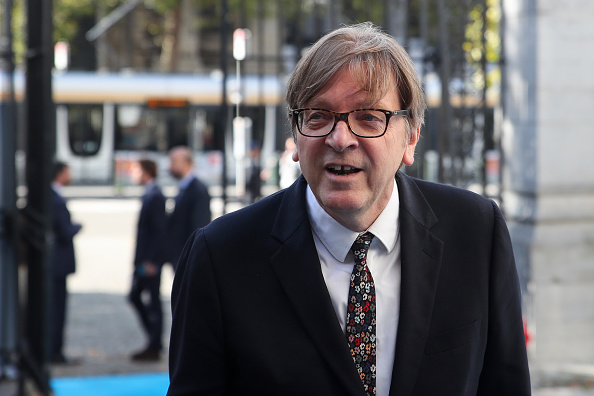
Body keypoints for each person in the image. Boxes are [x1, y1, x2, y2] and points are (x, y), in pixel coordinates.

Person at [167, 22, 530, 396]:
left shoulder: (476, 232)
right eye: (318, 116)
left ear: (412, 137)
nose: (340, 139)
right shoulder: (220, 256)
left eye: (369, 117)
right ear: (295, 135)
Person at [128, 159, 167, 361]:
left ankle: (155, 342)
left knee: (151, 299)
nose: (132, 174)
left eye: (135, 170)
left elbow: (159, 231)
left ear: (145, 171)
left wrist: (152, 261)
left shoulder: (156, 196)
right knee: (138, 296)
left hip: (149, 262)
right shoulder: (150, 194)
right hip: (144, 260)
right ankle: (154, 340)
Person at [50, 162, 82, 364]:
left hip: (55, 265)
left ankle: (53, 350)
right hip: (57, 265)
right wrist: (77, 226)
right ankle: (55, 352)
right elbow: (64, 231)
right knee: (56, 311)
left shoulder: (53, 196)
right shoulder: (55, 199)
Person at [165, 146, 211, 269]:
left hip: (188, 256)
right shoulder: (185, 186)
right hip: (180, 254)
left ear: (186, 163)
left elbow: (199, 225)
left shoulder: (197, 190)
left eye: (174, 162)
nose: (170, 167)